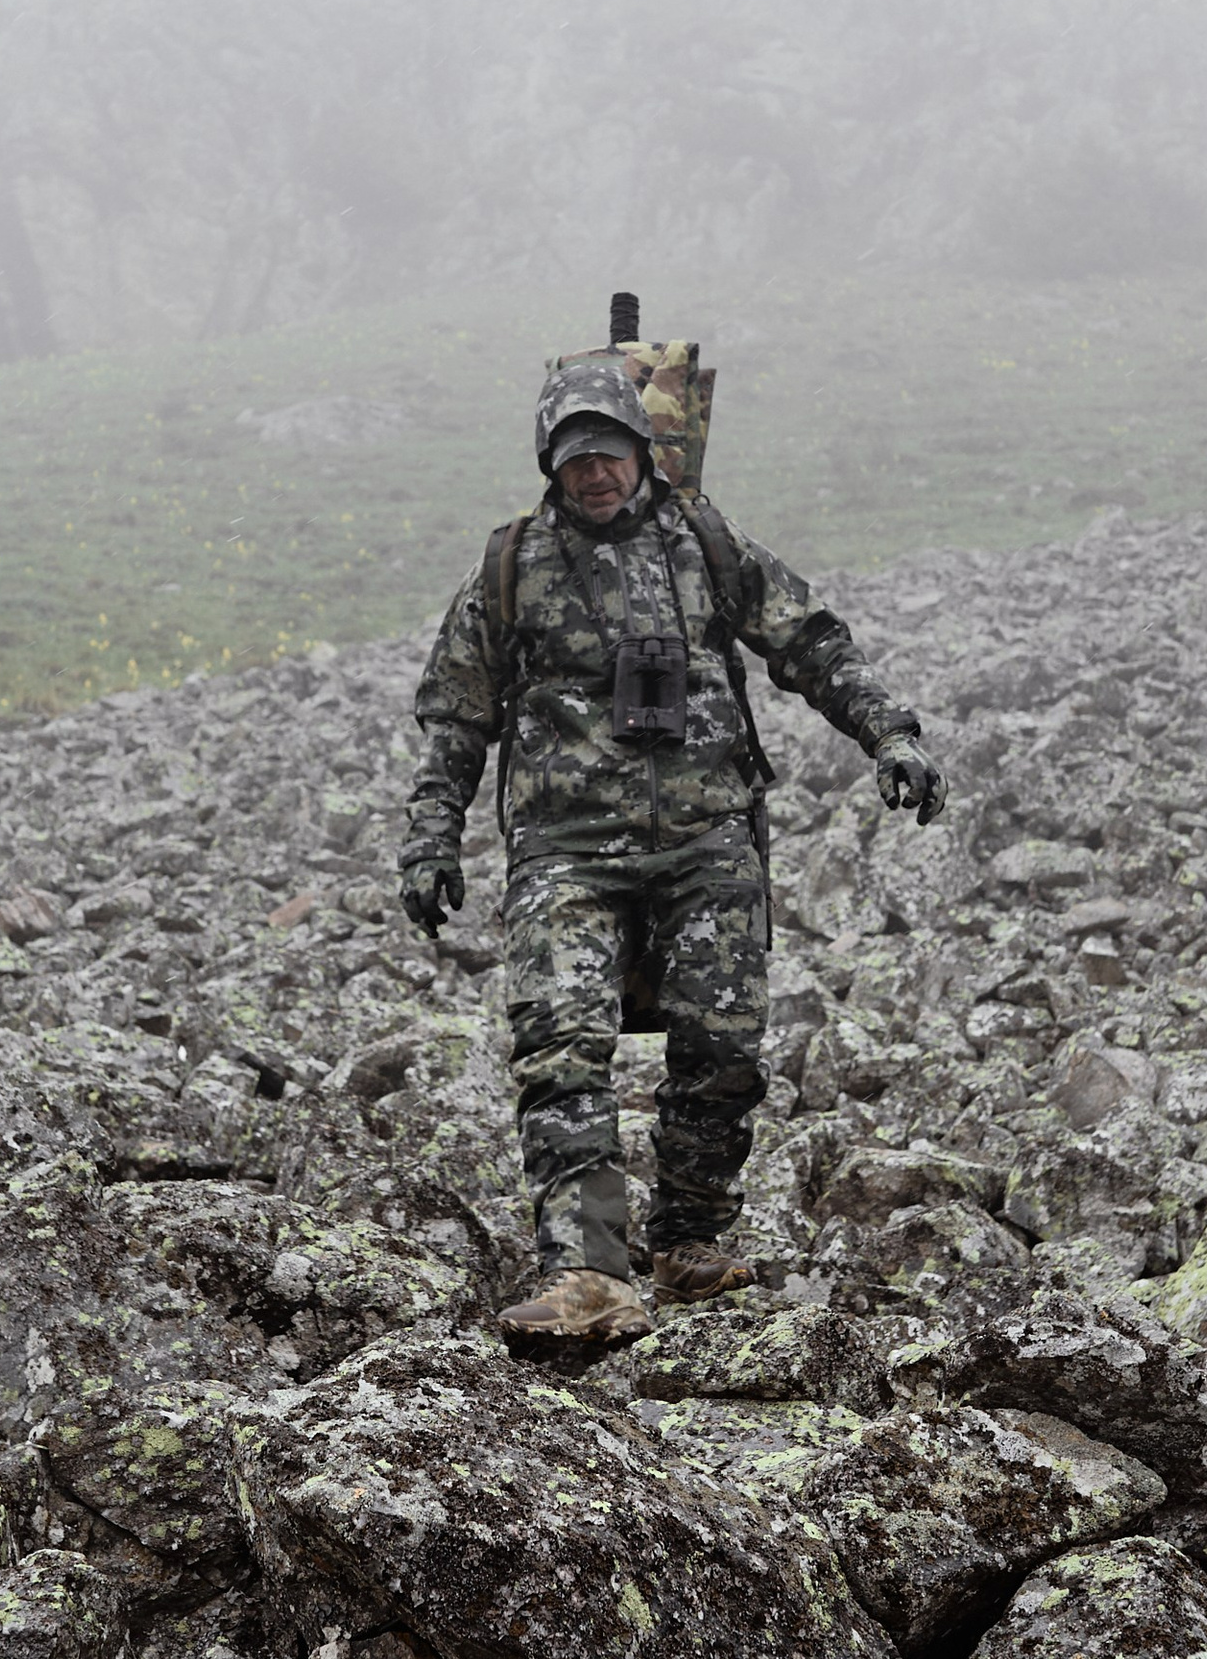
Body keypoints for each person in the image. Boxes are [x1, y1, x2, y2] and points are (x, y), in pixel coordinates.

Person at [398, 348, 946, 1343]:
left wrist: (889, 733)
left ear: (645, 456)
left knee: (720, 1048)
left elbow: (809, 642)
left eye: (608, 454)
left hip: (707, 843)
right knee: (560, 1050)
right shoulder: (508, 569)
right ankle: (589, 1271)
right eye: (573, 461)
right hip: (567, 853)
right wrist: (430, 836)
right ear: (548, 468)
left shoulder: (704, 543)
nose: (593, 474)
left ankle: (689, 1240)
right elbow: (455, 719)